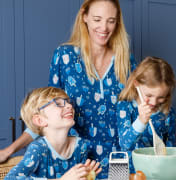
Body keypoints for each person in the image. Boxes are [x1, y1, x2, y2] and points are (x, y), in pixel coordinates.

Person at [0, 0, 136, 178]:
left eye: (111, 20)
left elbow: (135, 116)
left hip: (120, 158)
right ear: (84, 16)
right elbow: (46, 111)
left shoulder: (126, 61)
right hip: (77, 160)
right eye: (97, 19)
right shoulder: (65, 57)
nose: (104, 27)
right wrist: (9, 150)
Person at [5, 87, 101, 180]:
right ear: (40, 120)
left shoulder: (81, 146)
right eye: (58, 104)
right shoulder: (38, 149)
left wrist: (87, 176)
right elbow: (10, 178)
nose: (69, 106)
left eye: (68, 102)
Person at [116, 56, 176, 172]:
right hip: (129, 172)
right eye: (149, 96)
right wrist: (141, 121)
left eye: (161, 97)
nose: (154, 102)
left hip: (156, 172)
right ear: (136, 84)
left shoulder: (167, 112)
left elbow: (169, 147)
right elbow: (124, 144)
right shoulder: (125, 107)